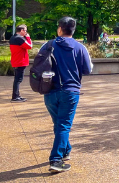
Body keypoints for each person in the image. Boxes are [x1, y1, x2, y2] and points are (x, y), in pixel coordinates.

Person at [43, 16, 93, 173]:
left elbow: (38, 64)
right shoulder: (80, 48)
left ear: (59, 29)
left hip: (50, 90)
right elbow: (88, 69)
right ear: (73, 30)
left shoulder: (48, 45)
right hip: (70, 92)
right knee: (63, 125)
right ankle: (56, 160)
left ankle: (66, 150)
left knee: (59, 124)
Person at [9, 24, 32, 102]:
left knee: (17, 79)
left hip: (16, 60)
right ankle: (15, 97)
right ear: (21, 30)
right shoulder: (19, 39)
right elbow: (29, 46)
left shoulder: (13, 37)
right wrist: (28, 38)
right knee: (18, 79)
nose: (26, 32)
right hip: (20, 61)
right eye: (25, 30)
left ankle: (16, 95)